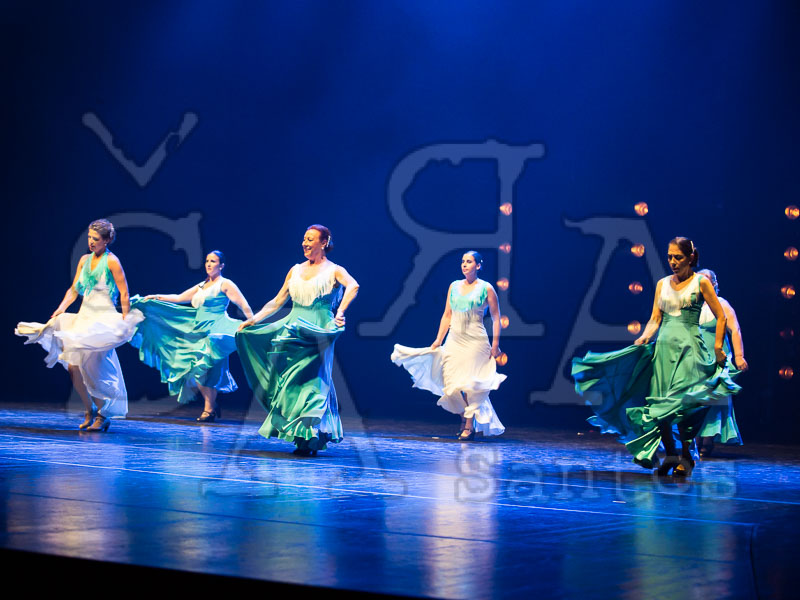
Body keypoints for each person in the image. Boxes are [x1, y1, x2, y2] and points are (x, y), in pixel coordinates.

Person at [571, 237, 740, 476]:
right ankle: (671, 455)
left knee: (682, 406)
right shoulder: (662, 284)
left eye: (678, 257)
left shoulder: (701, 282)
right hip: (663, 352)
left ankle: (686, 456)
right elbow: (655, 319)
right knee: (659, 408)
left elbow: (721, 317)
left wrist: (719, 347)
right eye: (670, 257)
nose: (673, 262)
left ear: (690, 258)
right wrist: (644, 336)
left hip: (690, 351)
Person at [236, 225, 359, 456]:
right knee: (293, 383)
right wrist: (254, 320)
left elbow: (353, 286)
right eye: (304, 238)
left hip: (318, 330)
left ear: (324, 242)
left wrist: (341, 311)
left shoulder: (334, 270)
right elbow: (277, 301)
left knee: (314, 381)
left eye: (310, 239)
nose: (305, 243)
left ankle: (310, 435)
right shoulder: (295, 270)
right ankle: (301, 437)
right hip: (293, 329)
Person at [15, 219, 144, 431]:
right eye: (89, 237)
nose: (91, 242)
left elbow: (124, 293)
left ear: (107, 240)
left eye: (96, 239)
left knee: (95, 369)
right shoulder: (84, 260)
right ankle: (90, 409)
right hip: (84, 318)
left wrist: (125, 320)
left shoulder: (112, 262)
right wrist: (61, 308)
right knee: (74, 367)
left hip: (102, 322)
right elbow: (74, 289)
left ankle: (103, 414)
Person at [391, 251, 506, 440]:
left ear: (478, 266)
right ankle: (465, 419)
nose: (464, 264)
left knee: (470, 385)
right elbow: (447, 315)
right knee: (451, 384)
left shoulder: (486, 288)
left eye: (469, 262)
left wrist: (495, 345)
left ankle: (468, 425)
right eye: (463, 261)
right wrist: (438, 340)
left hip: (476, 342)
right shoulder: (454, 286)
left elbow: (496, 318)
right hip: (454, 340)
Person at [129, 251, 253, 421]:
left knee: (206, 369)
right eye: (207, 261)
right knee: (196, 369)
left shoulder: (225, 284)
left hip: (215, 331)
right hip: (197, 331)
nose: (209, 264)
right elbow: (180, 298)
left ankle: (209, 409)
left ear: (221, 265)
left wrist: (252, 322)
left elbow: (243, 304)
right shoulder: (202, 285)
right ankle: (211, 406)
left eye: (213, 261)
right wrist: (156, 297)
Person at [695, 269, 748, 455]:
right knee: (695, 399)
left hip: (717, 358)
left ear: (714, 284)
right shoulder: (692, 305)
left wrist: (739, 356)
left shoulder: (722, 304)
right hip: (696, 360)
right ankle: (696, 438)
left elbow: (735, 330)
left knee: (714, 398)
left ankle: (707, 439)